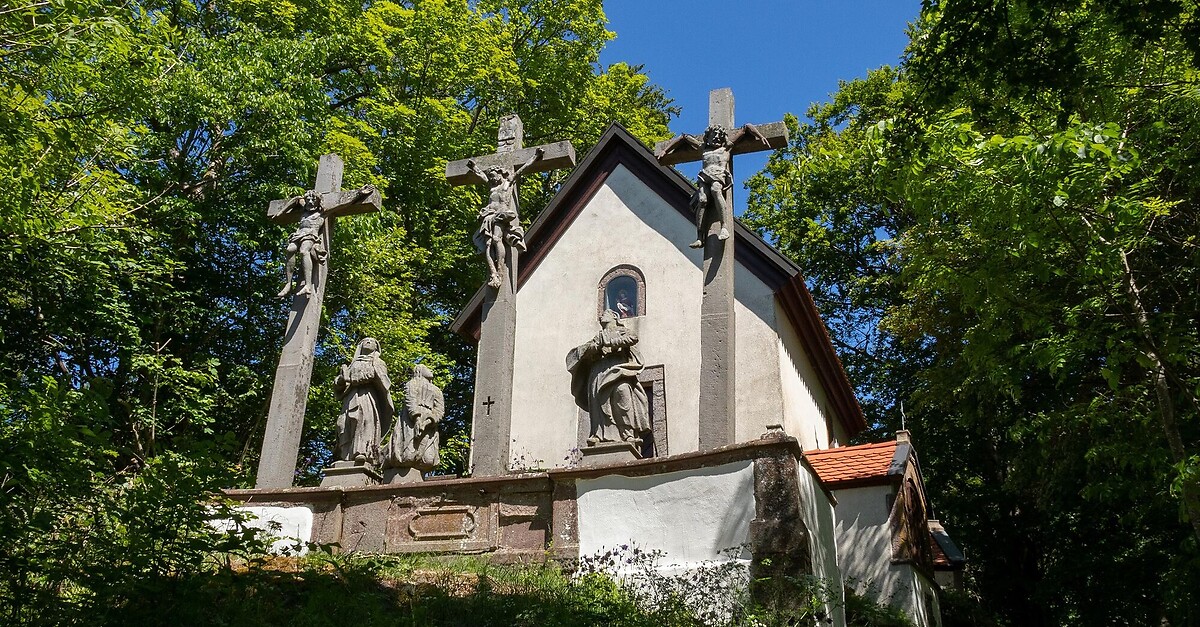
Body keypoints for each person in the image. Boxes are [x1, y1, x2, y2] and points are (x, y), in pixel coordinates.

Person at [655, 124, 769, 248]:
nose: (716, 139)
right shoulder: (703, 148)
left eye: (719, 137)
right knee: (702, 200)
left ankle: (724, 227)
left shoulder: (726, 148)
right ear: (707, 137)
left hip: (719, 175)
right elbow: (684, 137)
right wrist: (665, 150)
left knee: (716, 190)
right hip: (705, 176)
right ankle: (699, 237)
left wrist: (760, 136)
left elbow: (746, 127)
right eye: (713, 136)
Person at [566, 310, 651, 444]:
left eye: (605, 314)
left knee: (622, 392)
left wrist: (612, 342)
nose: (601, 316)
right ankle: (598, 434)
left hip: (618, 368)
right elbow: (582, 351)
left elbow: (633, 338)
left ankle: (627, 433)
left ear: (615, 317)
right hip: (599, 371)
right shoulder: (598, 337)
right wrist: (595, 347)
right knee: (598, 401)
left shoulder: (622, 331)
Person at [467, 147, 544, 288]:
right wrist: (475, 168)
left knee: (497, 239)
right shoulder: (492, 187)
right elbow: (481, 176)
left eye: (493, 175)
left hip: (501, 216)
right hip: (488, 217)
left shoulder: (507, 183)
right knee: (489, 244)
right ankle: (493, 272)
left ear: (500, 174)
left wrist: (536, 157)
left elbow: (522, 169)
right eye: (490, 176)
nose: (491, 178)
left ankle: (500, 269)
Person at [333, 338, 394, 463]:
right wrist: (341, 380)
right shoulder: (353, 364)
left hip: (367, 395)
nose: (368, 342)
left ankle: (362, 452)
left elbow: (381, 379)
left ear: (376, 348)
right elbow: (340, 384)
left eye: (372, 341)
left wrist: (358, 378)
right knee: (343, 423)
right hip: (351, 396)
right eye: (365, 341)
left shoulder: (378, 362)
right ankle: (346, 456)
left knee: (362, 420)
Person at [383, 364, 444, 472]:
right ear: (419, 371)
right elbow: (410, 401)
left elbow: (440, 410)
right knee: (407, 457)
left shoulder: (437, 390)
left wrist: (428, 421)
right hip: (410, 421)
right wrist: (417, 418)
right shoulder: (412, 384)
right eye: (427, 368)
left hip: (429, 424)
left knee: (428, 460)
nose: (430, 370)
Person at [278, 190, 326, 297]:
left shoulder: (322, 212)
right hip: (299, 234)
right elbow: (296, 200)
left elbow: (342, 203)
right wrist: (281, 211)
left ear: (318, 201)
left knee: (304, 251)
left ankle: (308, 285)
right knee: (290, 250)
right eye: (307, 199)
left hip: (310, 234)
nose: (310, 202)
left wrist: (359, 194)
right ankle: (288, 283)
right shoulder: (304, 209)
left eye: (313, 200)